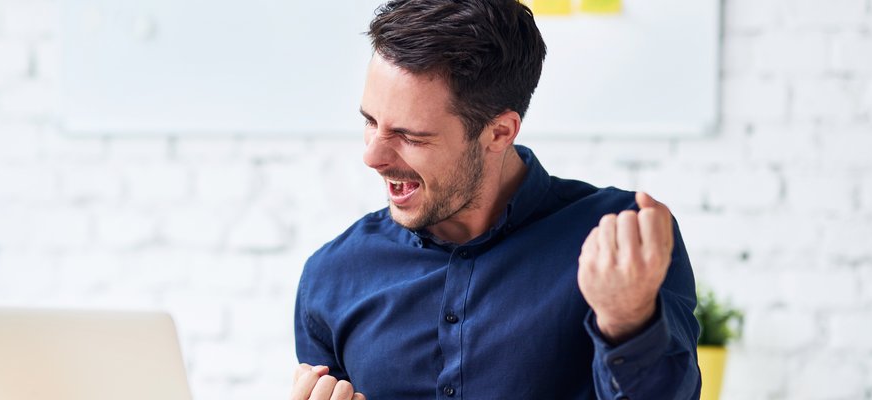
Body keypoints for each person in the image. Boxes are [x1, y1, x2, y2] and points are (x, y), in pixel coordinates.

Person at [290, 0, 700, 399]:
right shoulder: (332, 277)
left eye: (410, 137)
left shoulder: (620, 241)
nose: (372, 157)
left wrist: (628, 322)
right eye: (370, 122)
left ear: (500, 132)